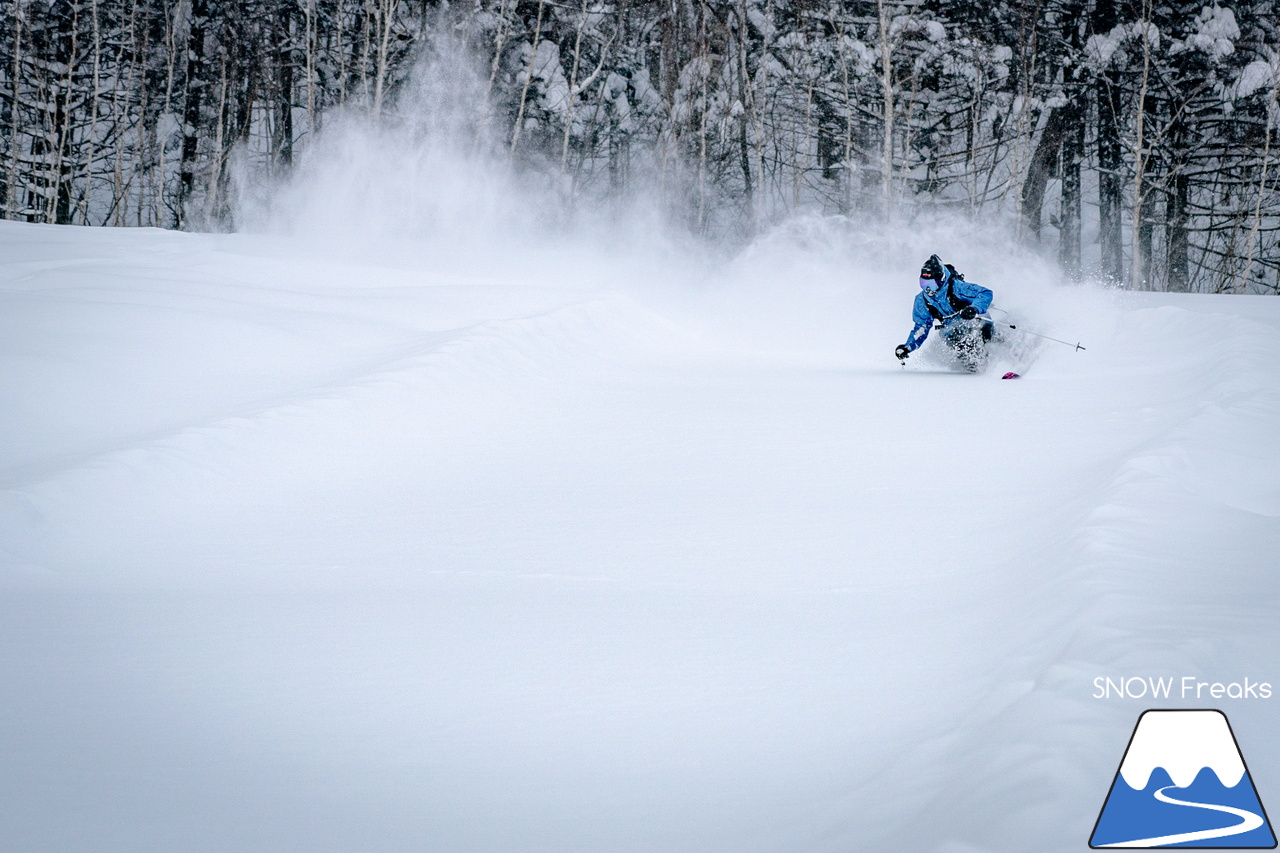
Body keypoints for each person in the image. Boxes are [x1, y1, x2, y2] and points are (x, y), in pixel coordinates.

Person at [894, 254, 995, 371]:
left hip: (975, 320)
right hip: (953, 331)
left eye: (931, 285)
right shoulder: (922, 300)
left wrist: (974, 308)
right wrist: (908, 347)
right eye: (924, 284)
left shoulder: (957, 287)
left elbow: (985, 293)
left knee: (984, 334)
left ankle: (1001, 360)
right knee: (951, 337)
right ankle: (976, 370)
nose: (928, 290)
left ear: (941, 280)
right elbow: (921, 327)